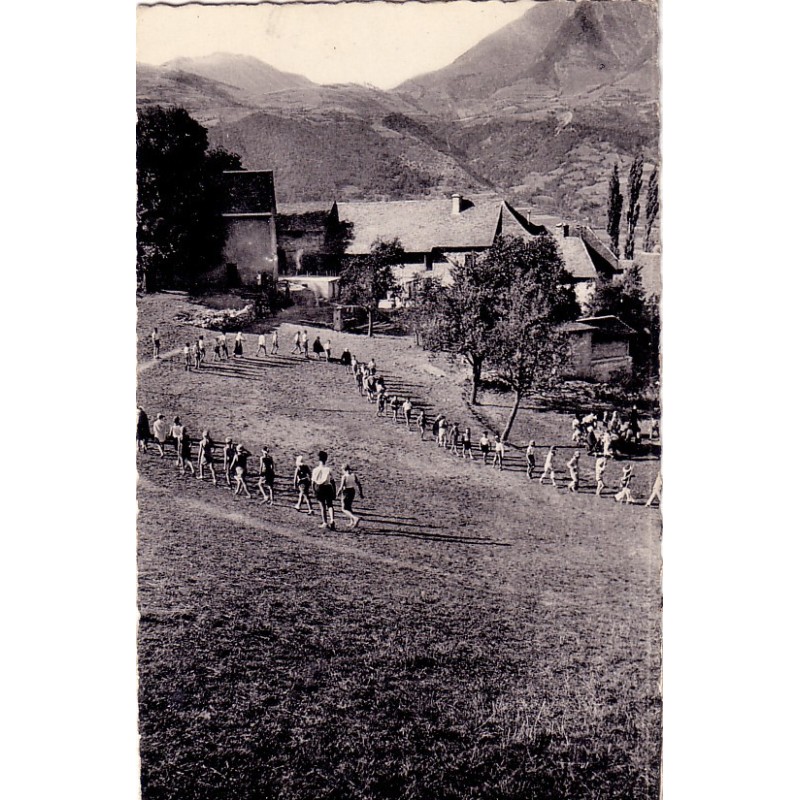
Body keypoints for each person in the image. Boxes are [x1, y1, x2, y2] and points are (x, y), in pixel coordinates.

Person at [311, 451, 336, 529]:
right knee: (330, 504)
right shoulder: (328, 469)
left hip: (319, 487)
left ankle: (325, 522)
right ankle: (332, 519)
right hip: (327, 487)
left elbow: (313, 482)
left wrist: (313, 490)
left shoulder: (315, 470)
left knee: (322, 506)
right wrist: (334, 491)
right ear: (326, 459)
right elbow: (332, 481)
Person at [337, 463, 364, 529]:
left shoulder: (344, 477)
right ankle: (352, 522)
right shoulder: (353, 475)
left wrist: (337, 493)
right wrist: (360, 493)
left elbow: (341, 487)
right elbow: (358, 484)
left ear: (344, 469)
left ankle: (354, 518)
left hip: (346, 492)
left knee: (343, 509)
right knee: (349, 506)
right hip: (352, 491)